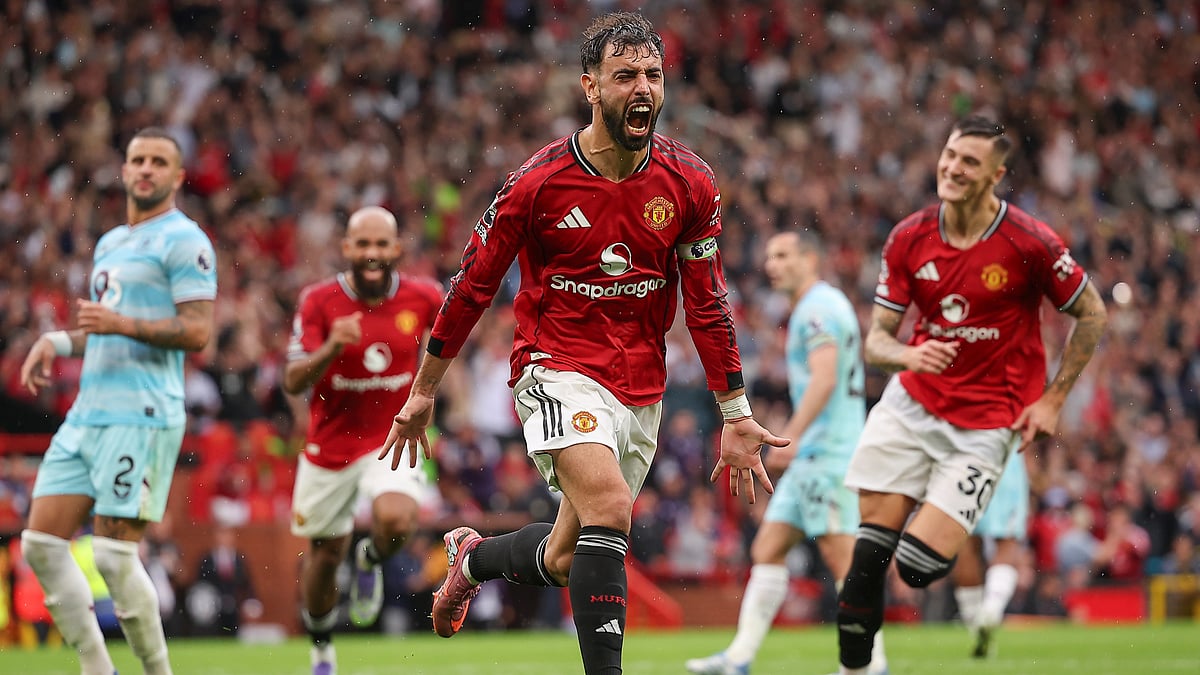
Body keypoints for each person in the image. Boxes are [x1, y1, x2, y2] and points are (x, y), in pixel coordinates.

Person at [379, 12, 786, 674]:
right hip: (554, 367)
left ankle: (474, 557)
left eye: (653, 75)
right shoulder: (539, 182)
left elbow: (707, 299)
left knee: (572, 553)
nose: (643, 89)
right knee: (609, 504)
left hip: (641, 385)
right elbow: (472, 285)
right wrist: (424, 389)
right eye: (625, 76)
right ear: (590, 87)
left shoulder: (690, 182)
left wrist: (735, 411)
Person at [830, 114, 1107, 675]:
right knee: (867, 556)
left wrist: (1053, 400)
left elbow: (1092, 313)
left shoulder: (1029, 241)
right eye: (950, 156)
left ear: (996, 175)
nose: (953, 168)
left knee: (916, 566)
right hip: (912, 406)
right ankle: (855, 670)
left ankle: (950, 539)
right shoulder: (909, 236)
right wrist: (909, 355)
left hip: (986, 423)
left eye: (970, 163)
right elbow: (877, 341)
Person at [18, 126, 217, 675]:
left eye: (158, 161)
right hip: (88, 412)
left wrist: (122, 323)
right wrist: (57, 341)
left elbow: (198, 331)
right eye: (138, 160)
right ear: (125, 171)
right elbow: (104, 329)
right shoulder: (110, 243)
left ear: (177, 176)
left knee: (111, 554)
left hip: (142, 414)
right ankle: (97, 668)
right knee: (40, 545)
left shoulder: (186, 240)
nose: (146, 169)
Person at [687, 230, 887, 675]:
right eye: (769, 255)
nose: (772, 264)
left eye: (782, 255)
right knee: (769, 548)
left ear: (809, 258)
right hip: (817, 452)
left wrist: (791, 436)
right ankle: (738, 658)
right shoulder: (824, 305)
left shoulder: (817, 308)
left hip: (826, 454)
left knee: (843, 559)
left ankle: (870, 664)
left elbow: (825, 379)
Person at [283, 206, 442, 675]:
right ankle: (321, 648)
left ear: (397, 250)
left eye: (381, 245)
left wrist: (428, 395)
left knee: (396, 520)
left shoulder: (424, 296)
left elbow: (450, 342)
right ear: (347, 249)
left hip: (388, 436)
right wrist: (332, 346)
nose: (372, 254)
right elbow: (291, 381)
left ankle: (370, 557)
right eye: (363, 245)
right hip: (329, 447)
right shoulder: (318, 301)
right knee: (326, 556)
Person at [951, 449, 1030, 658]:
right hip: (1003, 453)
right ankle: (991, 611)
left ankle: (976, 627)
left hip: (962, 458)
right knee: (1007, 542)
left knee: (966, 542)